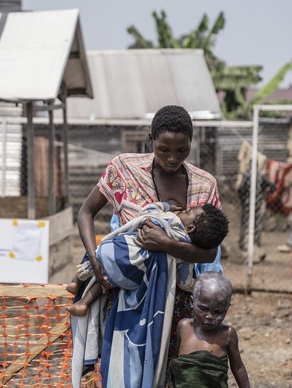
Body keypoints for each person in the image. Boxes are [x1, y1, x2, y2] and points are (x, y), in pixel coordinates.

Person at [70, 105, 222, 388]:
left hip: (177, 304)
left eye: (182, 150)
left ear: (192, 142)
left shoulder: (205, 185)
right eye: (164, 149)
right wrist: (95, 260)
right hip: (124, 297)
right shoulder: (124, 169)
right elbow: (86, 212)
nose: (173, 158)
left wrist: (166, 243)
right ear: (150, 138)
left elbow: (210, 251)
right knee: (123, 372)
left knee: (165, 376)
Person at [66, 202, 229, 317]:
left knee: (98, 258)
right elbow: (184, 281)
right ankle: (84, 304)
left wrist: (166, 206)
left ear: (190, 227)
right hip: (132, 277)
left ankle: (76, 282)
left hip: (120, 252)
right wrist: (194, 285)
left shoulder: (170, 219)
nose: (183, 211)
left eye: (187, 213)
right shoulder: (184, 253)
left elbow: (147, 211)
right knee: (108, 282)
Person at [168, 271, 250, 388]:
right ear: (192, 302)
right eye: (204, 309)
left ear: (227, 308)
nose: (210, 316)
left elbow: (238, 367)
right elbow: (176, 364)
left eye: (218, 312)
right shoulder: (184, 326)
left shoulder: (227, 334)